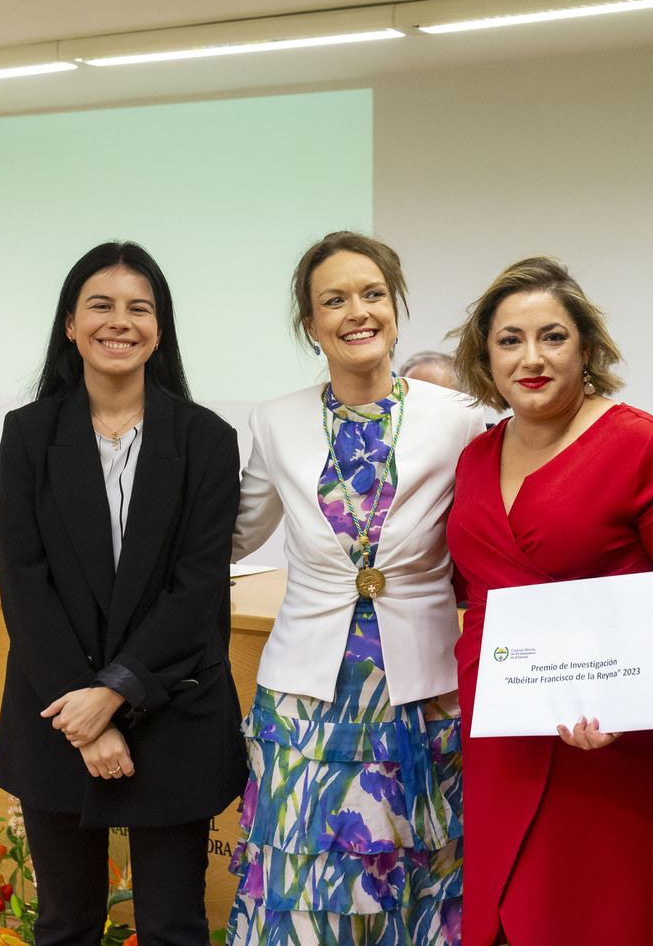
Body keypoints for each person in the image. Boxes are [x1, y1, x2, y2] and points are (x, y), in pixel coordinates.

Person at [225, 231, 485, 944]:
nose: (357, 312)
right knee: (304, 887)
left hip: (420, 694)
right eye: (334, 300)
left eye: (372, 294)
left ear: (396, 308)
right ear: (311, 325)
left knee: (418, 884)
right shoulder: (275, 420)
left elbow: (494, 530)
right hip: (306, 699)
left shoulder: (460, 418)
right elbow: (234, 535)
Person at [446, 257, 653, 946]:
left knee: (610, 921)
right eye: (510, 340)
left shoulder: (648, 447)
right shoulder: (475, 458)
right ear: (486, 357)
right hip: (504, 741)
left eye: (553, 337)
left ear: (586, 349)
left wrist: (624, 701)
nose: (531, 358)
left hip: (616, 750)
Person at [0, 241, 246, 946]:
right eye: (100, 305)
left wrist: (113, 694)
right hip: (58, 711)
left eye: (140, 308)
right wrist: (84, 717)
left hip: (174, 707)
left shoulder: (207, 439)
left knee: (173, 927)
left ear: (159, 330)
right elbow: (25, 585)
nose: (120, 321)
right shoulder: (28, 434)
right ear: (70, 324)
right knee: (65, 924)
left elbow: (196, 590)